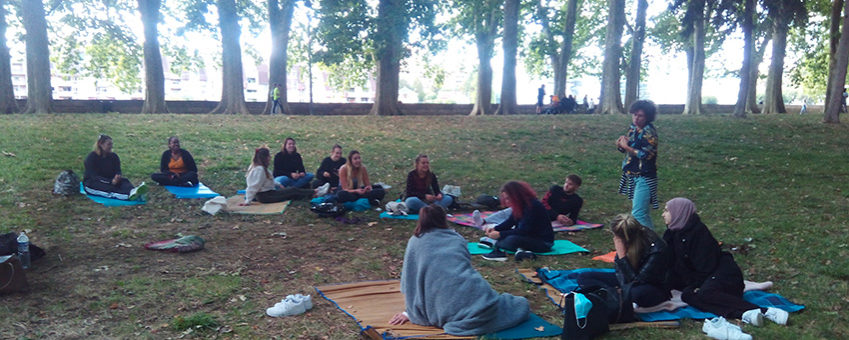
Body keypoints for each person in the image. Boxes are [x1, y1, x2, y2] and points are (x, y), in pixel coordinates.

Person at [389, 204, 530, 335]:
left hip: (445, 300)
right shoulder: (456, 238)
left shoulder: (415, 241)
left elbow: (411, 279)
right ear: (443, 219)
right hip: (473, 295)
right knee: (516, 304)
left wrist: (409, 312)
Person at [662, 197, 789, 327]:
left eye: (667, 210)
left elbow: (706, 267)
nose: (663, 214)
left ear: (679, 212)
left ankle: (766, 311)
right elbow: (671, 263)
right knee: (687, 296)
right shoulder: (672, 234)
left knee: (704, 293)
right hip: (705, 278)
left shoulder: (699, 233)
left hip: (724, 274)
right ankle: (744, 315)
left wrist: (694, 285)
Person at [576, 214, 670, 308]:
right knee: (584, 277)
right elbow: (620, 274)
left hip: (650, 287)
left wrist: (622, 257)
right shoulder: (627, 242)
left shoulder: (656, 249)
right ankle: (615, 295)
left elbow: (637, 281)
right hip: (626, 281)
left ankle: (612, 295)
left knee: (635, 294)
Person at [481, 181, 554, 262]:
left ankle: (496, 245)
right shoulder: (520, 205)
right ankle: (501, 244)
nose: (507, 201)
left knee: (511, 239)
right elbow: (510, 222)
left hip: (543, 242)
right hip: (529, 237)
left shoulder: (532, 206)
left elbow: (524, 231)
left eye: (508, 198)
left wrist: (500, 234)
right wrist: (495, 229)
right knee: (508, 237)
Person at [474, 174, 583, 227]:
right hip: (545, 211)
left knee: (516, 218)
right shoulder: (555, 190)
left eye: (570, 184)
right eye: (566, 182)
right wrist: (557, 215)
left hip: (548, 219)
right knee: (510, 212)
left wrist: (570, 221)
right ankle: (484, 221)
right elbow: (544, 203)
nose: (566, 186)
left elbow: (574, 216)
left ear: (576, 187)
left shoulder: (577, 201)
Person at [616, 100, 659, 229]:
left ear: (647, 117)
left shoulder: (650, 132)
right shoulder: (633, 129)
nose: (636, 118)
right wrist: (621, 145)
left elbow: (646, 155)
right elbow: (628, 148)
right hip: (632, 175)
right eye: (634, 114)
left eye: (640, 116)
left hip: (645, 176)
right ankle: (652, 242)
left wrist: (627, 148)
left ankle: (648, 242)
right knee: (642, 213)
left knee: (638, 214)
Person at [83, 134, 147, 200]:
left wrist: (117, 177)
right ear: (101, 144)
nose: (111, 146)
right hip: (93, 182)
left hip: (110, 179)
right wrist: (111, 181)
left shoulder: (113, 156)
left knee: (125, 181)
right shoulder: (91, 158)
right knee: (110, 189)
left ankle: (133, 192)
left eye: (111, 144)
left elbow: (118, 170)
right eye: (109, 144)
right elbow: (94, 176)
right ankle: (127, 196)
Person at [242, 147, 315, 205]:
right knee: (292, 192)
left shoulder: (260, 168)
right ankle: (314, 192)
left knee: (292, 191)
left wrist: (278, 184)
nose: (270, 158)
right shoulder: (259, 170)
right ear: (265, 158)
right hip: (265, 196)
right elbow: (254, 186)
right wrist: (247, 201)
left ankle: (313, 193)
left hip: (269, 193)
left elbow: (268, 180)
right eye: (269, 156)